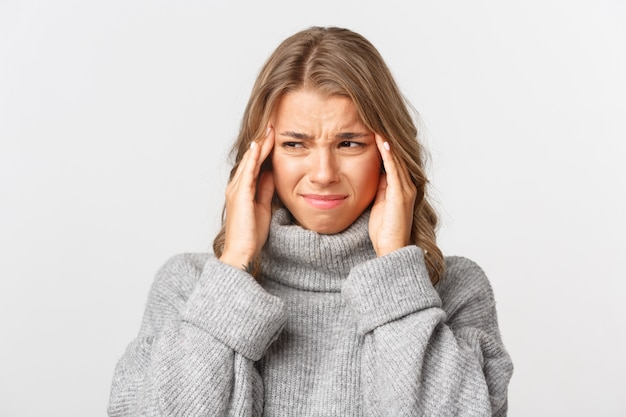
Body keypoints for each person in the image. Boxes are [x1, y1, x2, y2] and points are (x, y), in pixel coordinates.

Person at [108, 26, 513, 416]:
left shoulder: (455, 292)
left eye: (349, 143)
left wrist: (395, 273)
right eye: (295, 144)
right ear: (262, 158)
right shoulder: (189, 288)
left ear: (390, 157)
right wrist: (235, 263)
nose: (323, 172)